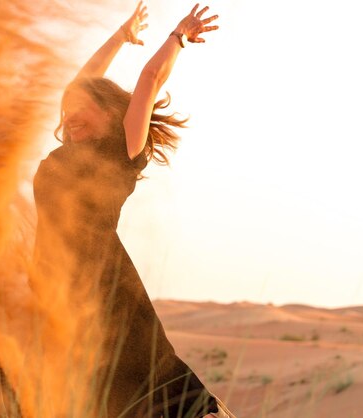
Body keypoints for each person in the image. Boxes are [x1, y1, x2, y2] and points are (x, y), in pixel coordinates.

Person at [33, 2, 235, 417]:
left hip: (101, 280)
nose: (68, 117)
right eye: (67, 111)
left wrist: (178, 37)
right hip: (53, 278)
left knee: (131, 372)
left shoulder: (122, 149)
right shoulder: (70, 149)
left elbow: (149, 79)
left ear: (109, 112)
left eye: (80, 110)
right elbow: (80, 82)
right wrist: (121, 37)